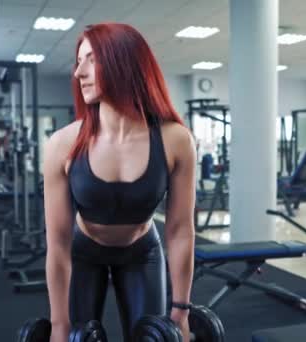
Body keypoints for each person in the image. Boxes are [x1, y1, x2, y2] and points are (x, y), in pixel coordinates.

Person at [43, 22, 196, 341]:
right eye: (78, 61)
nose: (78, 72)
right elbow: (58, 243)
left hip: (142, 253)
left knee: (149, 337)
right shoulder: (62, 144)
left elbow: (180, 229)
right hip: (84, 253)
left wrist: (181, 311)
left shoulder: (175, 140)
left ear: (123, 62)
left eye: (91, 60)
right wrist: (59, 326)